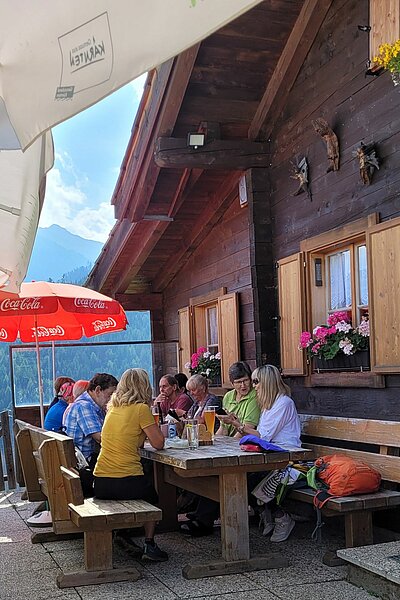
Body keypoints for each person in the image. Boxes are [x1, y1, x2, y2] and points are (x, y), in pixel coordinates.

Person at [93, 368, 168, 562]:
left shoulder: (112, 408)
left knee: (145, 483)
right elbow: (159, 443)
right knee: (153, 496)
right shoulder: (141, 409)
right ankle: (149, 544)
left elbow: (135, 441)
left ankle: (124, 534)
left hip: (101, 481)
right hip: (124, 480)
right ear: (145, 387)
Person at [222, 364, 301, 542]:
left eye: (256, 381)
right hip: (270, 454)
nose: (253, 385)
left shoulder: (283, 403)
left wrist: (238, 426)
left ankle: (281, 517)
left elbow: (264, 436)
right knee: (243, 477)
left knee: (250, 479)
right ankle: (265, 513)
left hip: (288, 457)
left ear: (267, 382)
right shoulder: (268, 405)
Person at [64, 373, 118, 462]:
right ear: (98, 390)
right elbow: (100, 438)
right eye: (110, 395)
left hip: (83, 460)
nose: (111, 399)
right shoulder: (84, 406)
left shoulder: (94, 406)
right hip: (85, 464)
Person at [215, 361, 260, 438]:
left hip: (243, 441)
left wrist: (229, 446)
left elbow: (247, 428)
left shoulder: (255, 395)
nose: (243, 385)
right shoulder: (228, 396)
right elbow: (223, 428)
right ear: (232, 384)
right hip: (229, 442)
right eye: (238, 382)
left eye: (246, 380)